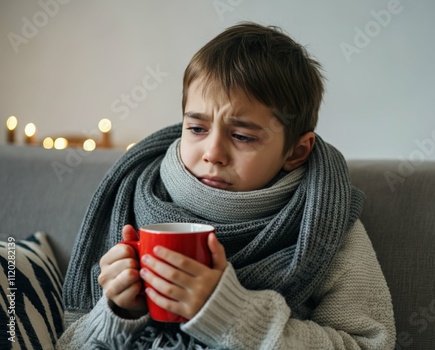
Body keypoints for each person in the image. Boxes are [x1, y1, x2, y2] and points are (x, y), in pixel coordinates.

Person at [57, 22, 395, 349]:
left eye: (243, 136)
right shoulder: (133, 199)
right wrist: (118, 311)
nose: (213, 153)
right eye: (197, 129)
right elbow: (71, 342)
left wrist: (229, 314)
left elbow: (368, 345)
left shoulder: (327, 225)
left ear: (295, 151)